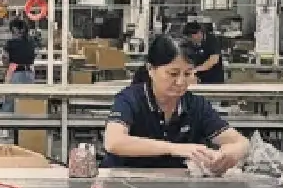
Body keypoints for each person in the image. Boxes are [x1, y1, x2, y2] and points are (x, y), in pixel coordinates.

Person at [102, 34, 250, 171]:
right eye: (173, 74)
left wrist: (227, 155)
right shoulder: (130, 99)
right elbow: (114, 142)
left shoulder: (195, 105)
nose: (180, 82)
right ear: (150, 70)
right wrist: (174, 148)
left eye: (187, 74)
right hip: (125, 183)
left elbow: (241, 142)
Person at [3, 18, 37, 83]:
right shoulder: (31, 42)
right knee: (28, 92)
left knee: (14, 92)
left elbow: (5, 58)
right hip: (29, 72)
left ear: (14, 29)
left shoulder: (10, 43)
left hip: (15, 72)